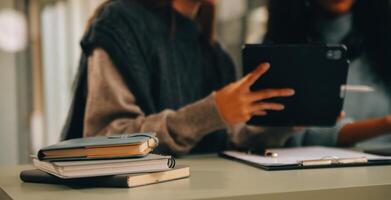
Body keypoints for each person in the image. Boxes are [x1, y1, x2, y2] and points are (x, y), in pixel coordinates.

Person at [61, 0, 296, 155]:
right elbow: (105, 139)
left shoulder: (215, 55)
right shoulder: (120, 23)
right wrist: (213, 112)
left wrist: (288, 121)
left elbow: (227, 140)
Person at [264, 0, 391, 148]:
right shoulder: (274, 48)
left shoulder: (383, 42)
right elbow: (293, 134)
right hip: (313, 166)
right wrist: (385, 123)